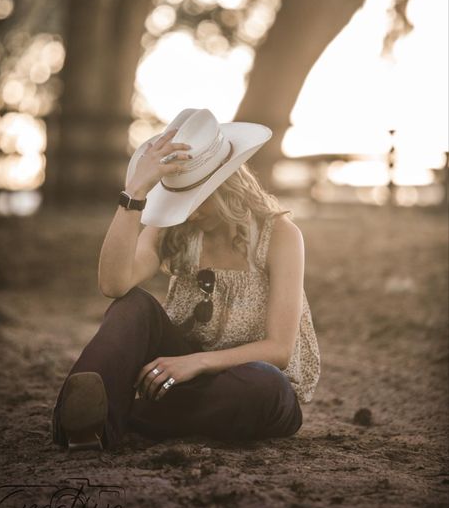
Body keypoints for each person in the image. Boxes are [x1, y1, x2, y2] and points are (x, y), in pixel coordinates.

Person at [51, 108, 320, 451]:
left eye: (198, 197)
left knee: (265, 386)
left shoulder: (280, 235)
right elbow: (113, 284)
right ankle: (82, 426)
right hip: (177, 379)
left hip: (245, 383)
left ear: (226, 184)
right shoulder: (173, 224)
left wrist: (195, 363)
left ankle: (129, 416)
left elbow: (279, 350)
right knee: (133, 305)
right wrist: (133, 193)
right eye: (181, 198)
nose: (189, 211)